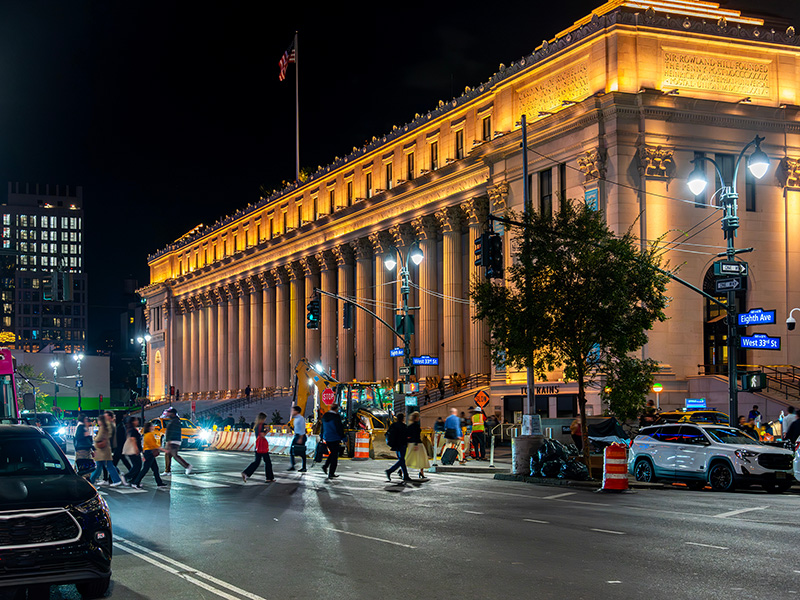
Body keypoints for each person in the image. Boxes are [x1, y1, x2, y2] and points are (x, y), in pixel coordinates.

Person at [89, 413, 125, 487]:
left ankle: (91, 481)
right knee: (106, 465)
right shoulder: (106, 427)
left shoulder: (103, 428)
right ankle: (116, 479)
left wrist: (95, 438)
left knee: (101, 466)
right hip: (105, 450)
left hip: (102, 450)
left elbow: (99, 438)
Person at [132, 422, 167, 490]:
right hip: (150, 453)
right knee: (145, 469)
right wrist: (163, 449)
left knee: (155, 469)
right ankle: (136, 482)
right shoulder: (150, 435)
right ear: (149, 427)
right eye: (152, 426)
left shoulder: (146, 435)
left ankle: (159, 483)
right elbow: (154, 445)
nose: (153, 427)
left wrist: (144, 455)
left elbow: (145, 446)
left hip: (148, 453)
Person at [242, 412, 275, 483]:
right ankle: (269, 478)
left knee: (257, 462)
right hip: (262, 447)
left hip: (258, 446)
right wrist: (267, 431)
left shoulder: (256, 426)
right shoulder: (261, 425)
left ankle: (246, 473)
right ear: (262, 419)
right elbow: (262, 435)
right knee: (268, 462)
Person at [162, 408, 193, 476]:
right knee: (168, 455)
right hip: (172, 440)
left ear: (173, 413)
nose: (168, 414)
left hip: (173, 441)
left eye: (169, 413)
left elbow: (173, 432)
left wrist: (169, 441)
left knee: (174, 455)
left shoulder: (175, 421)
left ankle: (187, 466)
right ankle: (167, 470)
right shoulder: (174, 420)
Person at [385, 412, 411, 482]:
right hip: (402, 444)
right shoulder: (404, 426)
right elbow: (407, 436)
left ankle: (405, 475)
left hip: (395, 445)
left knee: (401, 460)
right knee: (402, 460)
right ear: (403, 418)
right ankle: (390, 471)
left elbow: (387, 434)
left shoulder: (393, 425)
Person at [321, 404, 344, 479]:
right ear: (336, 409)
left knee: (333, 453)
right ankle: (331, 472)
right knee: (335, 455)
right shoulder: (336, 417)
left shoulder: (325, 416)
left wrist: (321, 436)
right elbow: (339, 428)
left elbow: (322, 427)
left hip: (327, 437)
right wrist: (343, 437)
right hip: (335, 437)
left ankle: (325, 466)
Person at [405, 411, 430, 480]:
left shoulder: (410, 426)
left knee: (409, 458)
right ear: (416, 418)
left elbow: (408, 435)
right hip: (417, 443)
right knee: (422, 458)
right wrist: (416, 444)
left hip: (411, 444)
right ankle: (421, 472)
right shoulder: (416, 426)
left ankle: (402, 470)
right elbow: (416, 435)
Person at [288, 405, 307, 472]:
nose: (292, 412)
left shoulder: (300, 418)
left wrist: (301, 438)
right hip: (297, 436)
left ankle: (303, 467)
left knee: (302, 452)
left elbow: (302, 429)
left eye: (293, 410)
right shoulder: (296, 419)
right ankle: (293, 465)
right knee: (292, 451)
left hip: (300, 436)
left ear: (296, 411)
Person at [124, 417, 143, 483]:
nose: (138, 422)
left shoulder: (130, 429)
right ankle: (127, 476)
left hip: (133, 451)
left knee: (137, 465)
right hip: (133, 451)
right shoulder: (133, 430)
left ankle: (134, 480)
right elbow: (133, 439)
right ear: (133, 422)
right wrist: (136, 449)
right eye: (136, 420)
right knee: (137, 466)